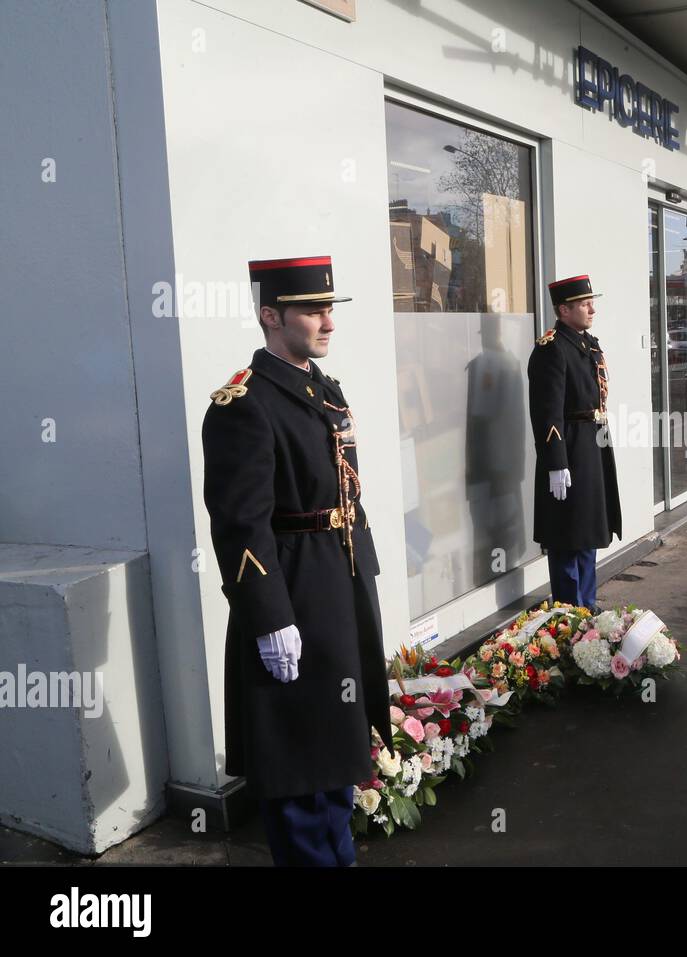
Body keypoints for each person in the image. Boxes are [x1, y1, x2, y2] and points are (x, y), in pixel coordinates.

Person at [202, 255, 392, 866]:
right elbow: (240, 524)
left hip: (337, 587)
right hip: (294, 599)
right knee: (301, 773)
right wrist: (268, 616)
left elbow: (342, 490)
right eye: (313, 310)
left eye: (329, 308)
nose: (327, 321)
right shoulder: (245, 404)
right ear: (269, 316)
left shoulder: (318, 385)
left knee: (336, 763)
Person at [528, 275, 622, 612]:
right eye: (584, 304)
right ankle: (570, 613)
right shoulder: (551, 349)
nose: (592, 308)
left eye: (591, 302)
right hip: (568, 450)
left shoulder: (587, 343)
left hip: (592, 446)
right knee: (568, 535)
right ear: (563, 310)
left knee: (588, 531)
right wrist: (556, 463)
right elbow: (546, 412)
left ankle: (589, 607)